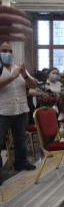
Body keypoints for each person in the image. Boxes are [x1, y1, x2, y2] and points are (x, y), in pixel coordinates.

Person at [0, 42, 37, 178]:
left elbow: (33, 85)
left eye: (10, 51)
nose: (8, 54)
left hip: (21, 110)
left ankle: (21, 161)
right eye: (4, 51)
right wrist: (12, 77)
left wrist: (24, 75)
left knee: (20, 139)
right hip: (3, 111)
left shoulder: (19, 69)